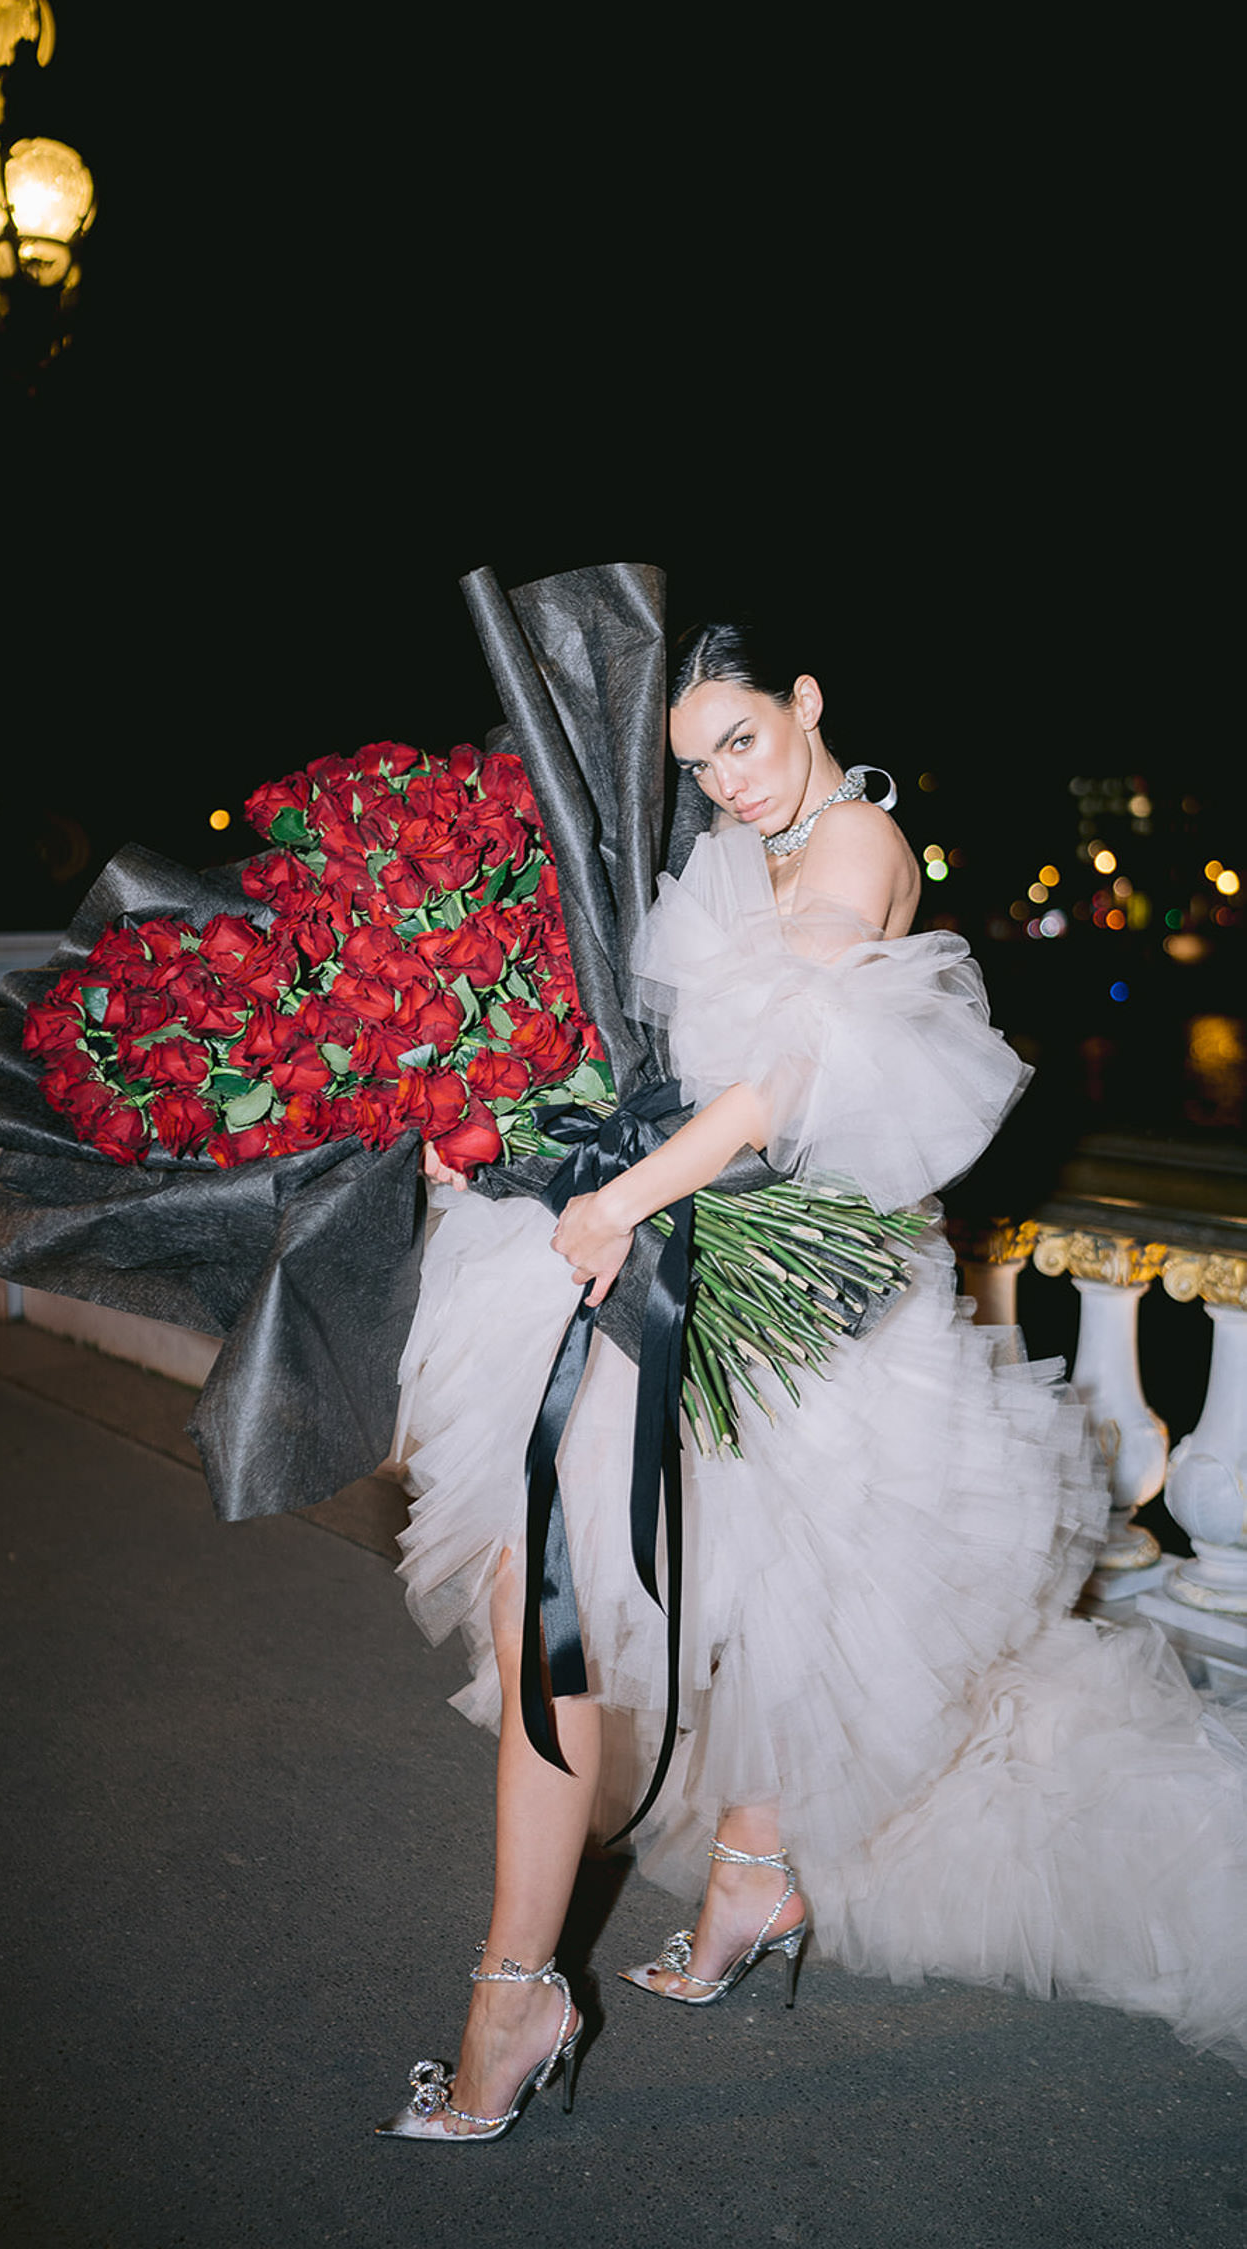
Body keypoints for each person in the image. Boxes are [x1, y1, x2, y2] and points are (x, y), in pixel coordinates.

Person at [375, 620, 1247, 2140]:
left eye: (745, 742)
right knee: (648, 1596)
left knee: (620, 1595)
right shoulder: (745, 848)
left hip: (797, 1287)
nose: (728, 785)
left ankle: (520, 1983)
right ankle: (746, 1881)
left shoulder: (851, 845)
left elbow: (773, 1097)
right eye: (700, 763)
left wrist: (619, 1198)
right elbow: (659, 1044)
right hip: (702, 1249)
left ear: (808, 704)